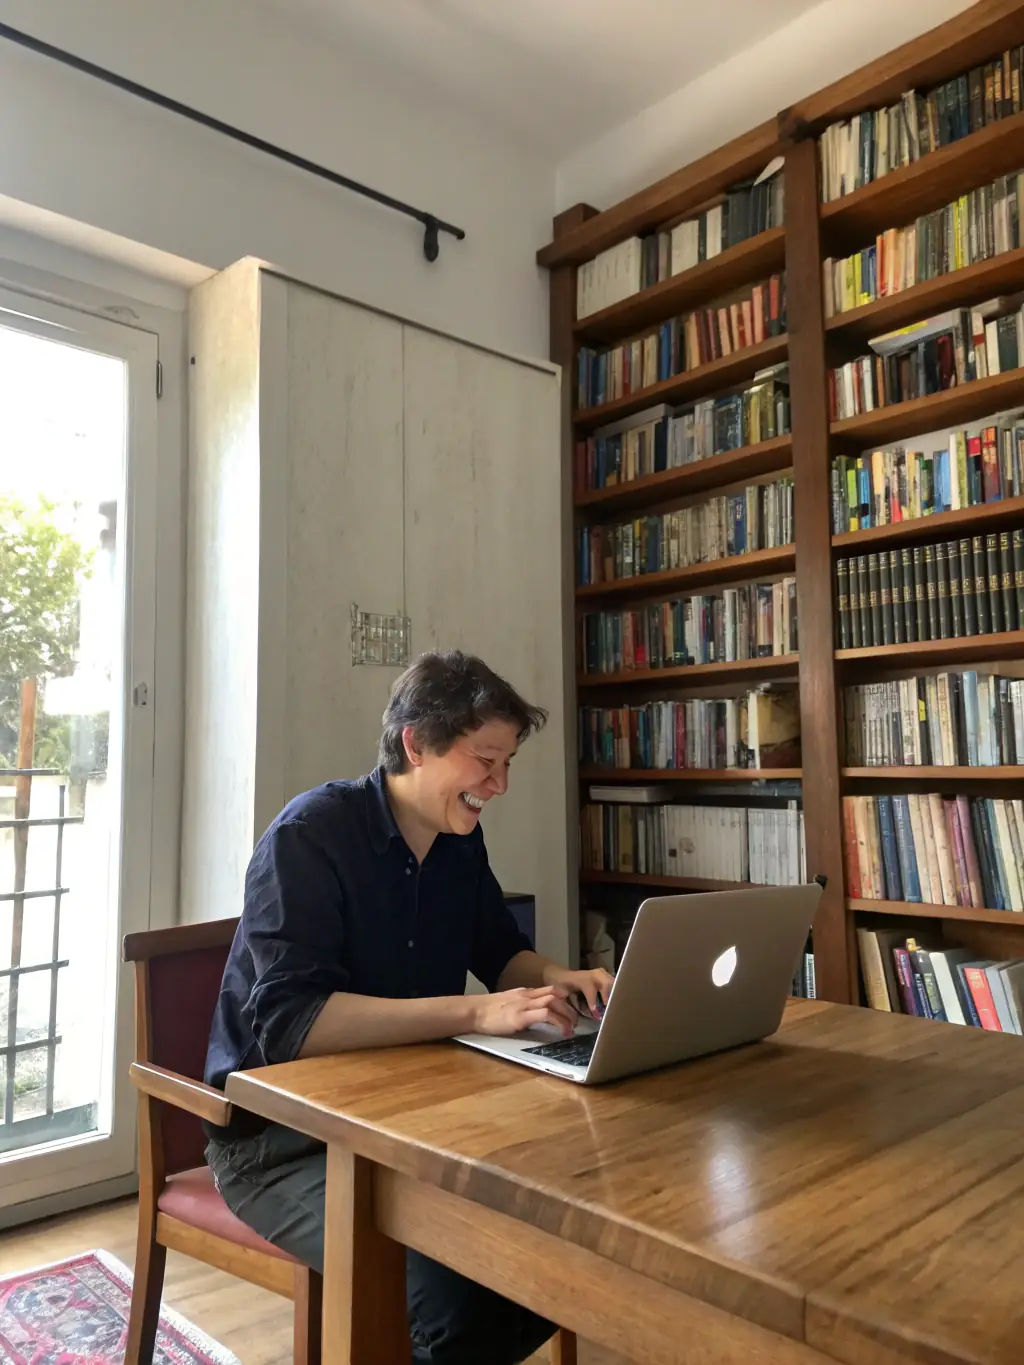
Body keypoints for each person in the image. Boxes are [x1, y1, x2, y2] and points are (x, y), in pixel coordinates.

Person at [203, 649, 613, 1365]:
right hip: (281, 1144)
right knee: (465, 1306)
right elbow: (294, 1024)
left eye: (509, 762)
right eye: (486, 758)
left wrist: (563, 975)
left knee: (547, 1265)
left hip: (407, 1123)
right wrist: (475, 1014)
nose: (501, 783)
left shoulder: (459, 842)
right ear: (415, 743)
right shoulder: (309, 836)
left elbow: (498, 951)